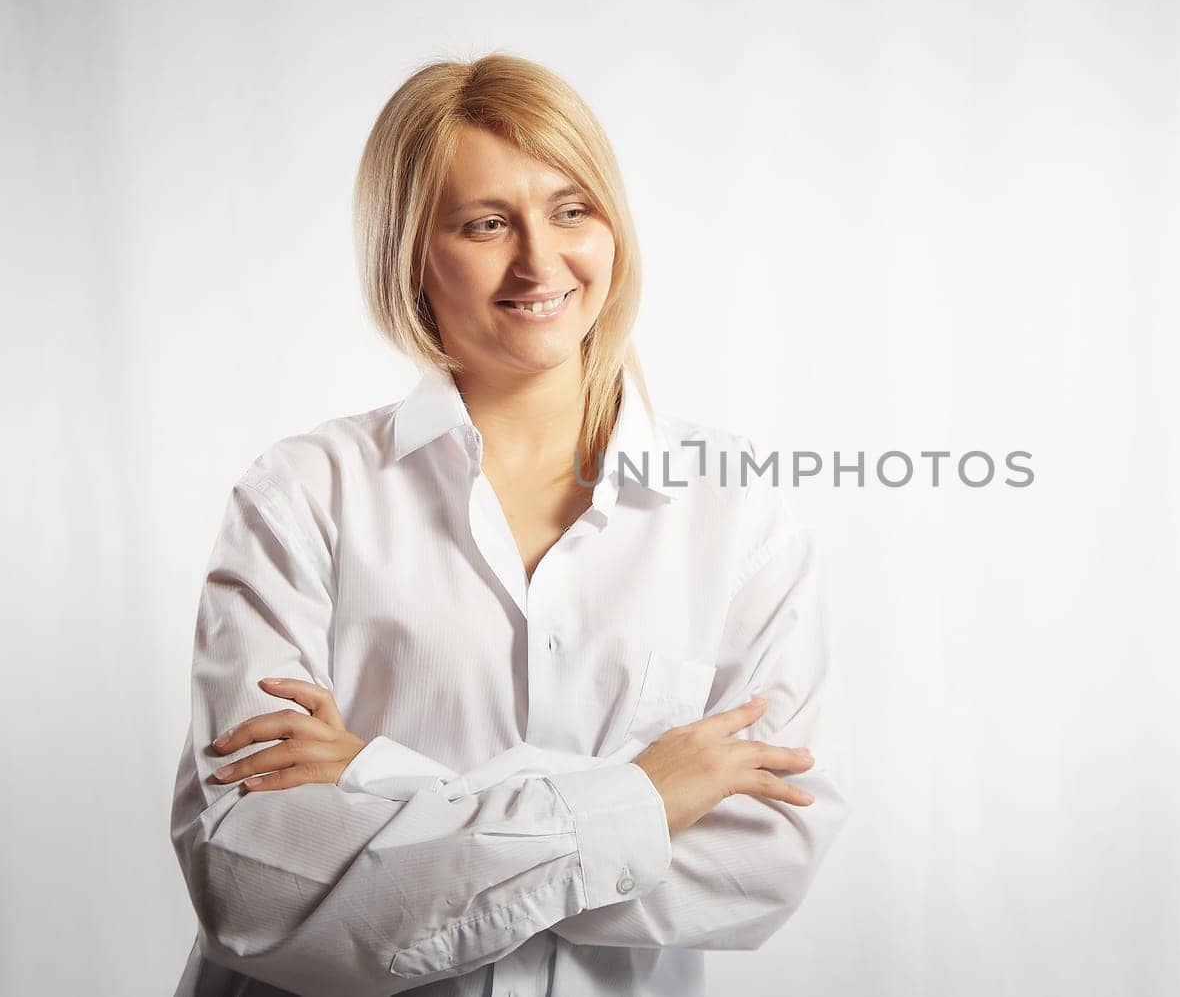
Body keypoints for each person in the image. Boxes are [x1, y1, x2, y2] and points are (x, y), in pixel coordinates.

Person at [168, 54, 849, 997]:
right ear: (411, 252)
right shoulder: (303, 497)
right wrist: (645, 799)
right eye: (485, 224)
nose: (540, 261)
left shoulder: (735, 515)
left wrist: (378, 779)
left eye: (572, 210)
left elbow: (758, 865)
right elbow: (250, 881)